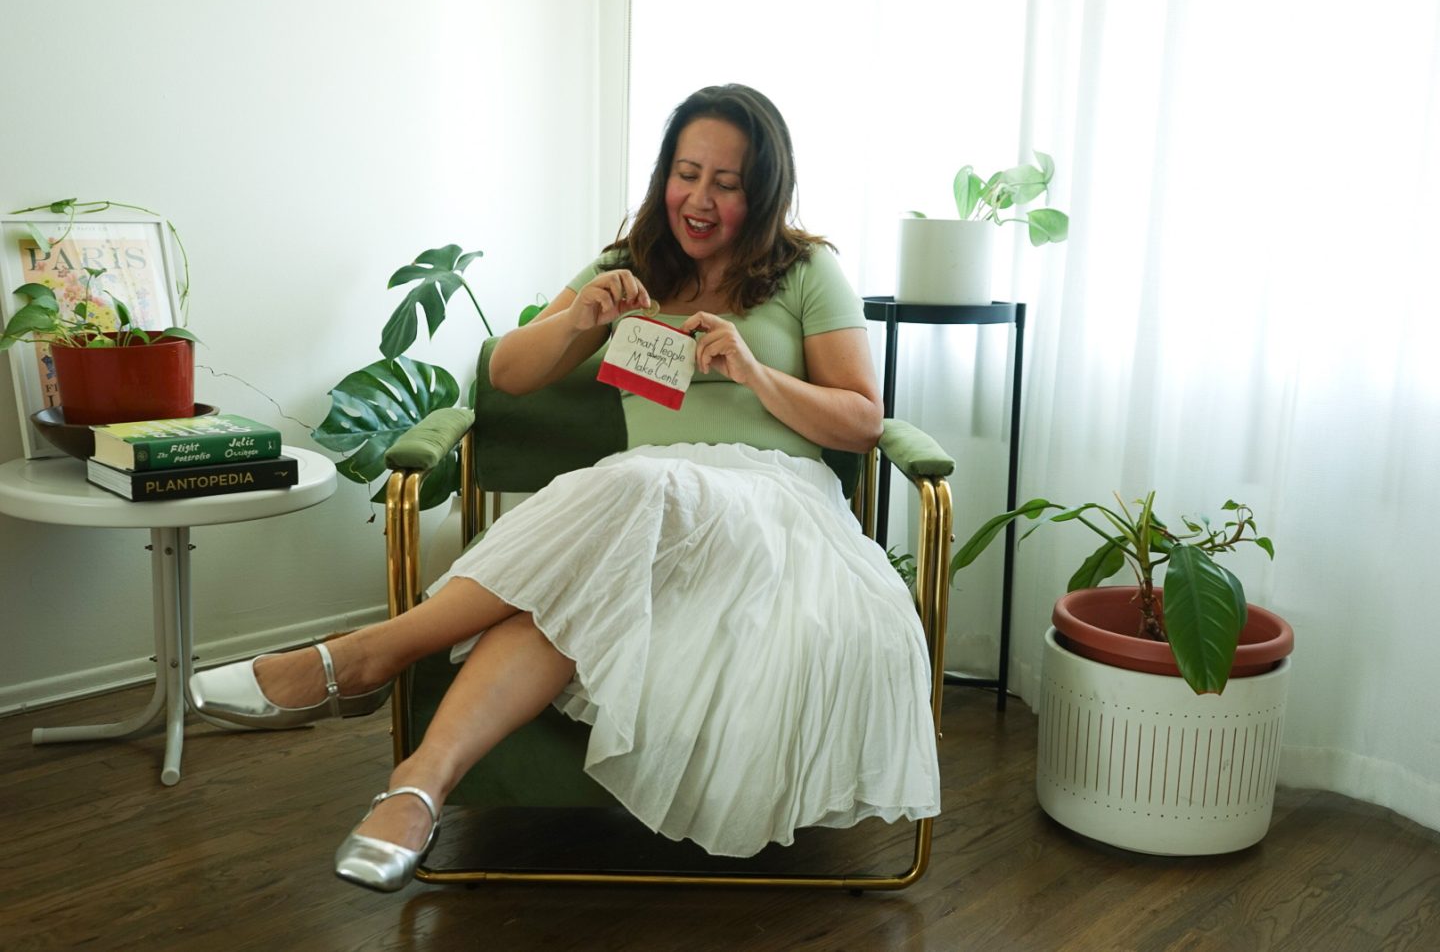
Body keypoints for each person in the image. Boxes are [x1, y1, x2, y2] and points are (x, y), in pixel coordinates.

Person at [190, 83, 941, 893]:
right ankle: (416, 789)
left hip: (775, 510)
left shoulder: (806, 270)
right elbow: (507, 375)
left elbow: (863, 421)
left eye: (727, 182)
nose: (699, 197)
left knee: (639, 485)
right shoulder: (628, 266)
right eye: (687, 173)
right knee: (573, 583)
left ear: (763, 193)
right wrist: (582, 318)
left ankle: (370, 654)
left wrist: (754, 373)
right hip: (642, 516)